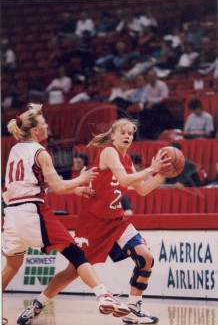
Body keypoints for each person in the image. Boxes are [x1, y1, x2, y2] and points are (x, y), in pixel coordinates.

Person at [19, 118, 171, 325]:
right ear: (113, 135)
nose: (127, 136)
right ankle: (38, 304)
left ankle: (134, 308)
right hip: (94, 222)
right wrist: (153, 169)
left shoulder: (127, 160)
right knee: (71, 272)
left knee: (146, 257)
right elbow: (126, 181)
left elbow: (142, 190)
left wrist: (161, 175)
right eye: (123, 132)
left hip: (117, 220)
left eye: (131, 134)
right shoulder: (109, 152)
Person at [2, 104, 130, 325]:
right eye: (43, 123)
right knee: (76, 254)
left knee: (12, 266)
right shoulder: (41, 153)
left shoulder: (15, 149)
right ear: (35, 130)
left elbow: (35, 184)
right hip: (32, 211)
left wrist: (75, 188)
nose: (47, 126)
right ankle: (103, 295)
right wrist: (81, 179)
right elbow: (58, 186)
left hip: (11, 214)